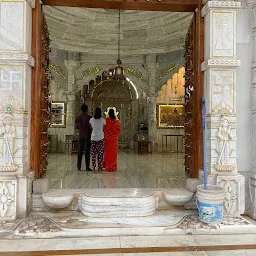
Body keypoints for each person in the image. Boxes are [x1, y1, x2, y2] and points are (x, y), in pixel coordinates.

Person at [75, 104, 92, 171]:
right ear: (87, 109)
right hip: (88, 136)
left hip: (81, 136)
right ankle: (87, 167)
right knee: (87, 151)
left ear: (81, 109)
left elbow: (76, 127)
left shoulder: (78, 117)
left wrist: (80, 128)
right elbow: (91, 126)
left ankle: (79, 166)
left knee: (80, 151)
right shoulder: (89, 117)